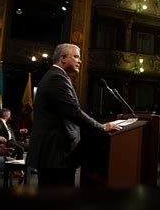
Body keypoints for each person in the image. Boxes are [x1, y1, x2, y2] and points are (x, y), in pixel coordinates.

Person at [27, 43, 122, 187]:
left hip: (56, 154)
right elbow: (73, 111)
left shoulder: (57, 76)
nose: (80, 61)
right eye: (76, 57)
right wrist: (101, 127)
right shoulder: (56, 78)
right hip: (56, 154)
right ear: (63, 58)